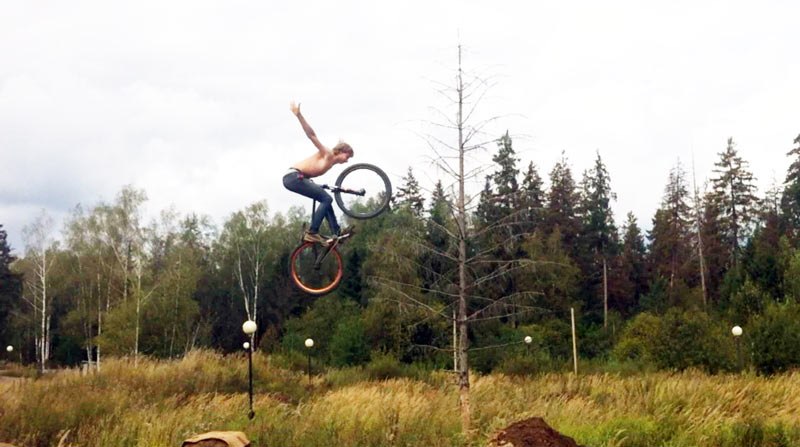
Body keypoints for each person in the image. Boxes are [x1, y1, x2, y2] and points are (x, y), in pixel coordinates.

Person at [283, 101, 354, 245]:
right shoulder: (327, 154)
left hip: (298, 178)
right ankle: (312, 232)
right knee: (326, 199)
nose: (347, 161)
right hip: (293, 177)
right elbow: (311, 135)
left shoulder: (331, 163)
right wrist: (299, 115)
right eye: (348, 157)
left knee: (325, 199)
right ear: (341, 152)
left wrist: (343, 189)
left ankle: (336, 232)